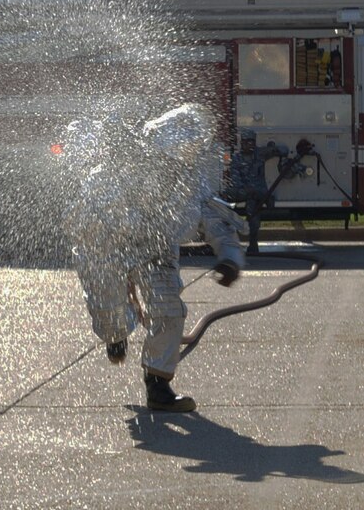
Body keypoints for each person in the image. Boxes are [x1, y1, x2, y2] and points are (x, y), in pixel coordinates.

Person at [62, 104, 246, 413]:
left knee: (170, 311)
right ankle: (115, 336)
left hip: (155, 250)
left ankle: (157, 385)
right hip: (105, 250)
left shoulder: (186, 180)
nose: (173, 167)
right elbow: (84, 226)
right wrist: (119, 271)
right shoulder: (109, 177)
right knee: (110, 311)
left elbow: (215, 219)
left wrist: (229, 258)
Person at [223, 128, 288, 254]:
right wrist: (247, 191)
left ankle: (253, 243)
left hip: (257, 194)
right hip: (242, 191)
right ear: (241, 143)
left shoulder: (260, 154)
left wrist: (275, 150)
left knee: (253, 206)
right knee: (224, 198)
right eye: (246, 142)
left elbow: (284, 150)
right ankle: (224, 238)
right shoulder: (236, 159)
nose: (249, 145)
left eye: (251, 142)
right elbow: (236, 180)